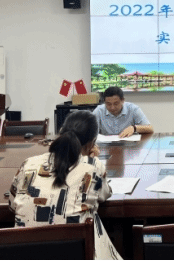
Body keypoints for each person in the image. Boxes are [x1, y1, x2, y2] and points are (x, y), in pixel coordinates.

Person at [9, 111, 121, 259]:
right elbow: (105, 193)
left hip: (25, 253)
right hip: (74, 253)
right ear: (92, 143)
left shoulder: (29, 163)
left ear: (60, 133)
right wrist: (90, 160)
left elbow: (12, 205)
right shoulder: (93, 166)